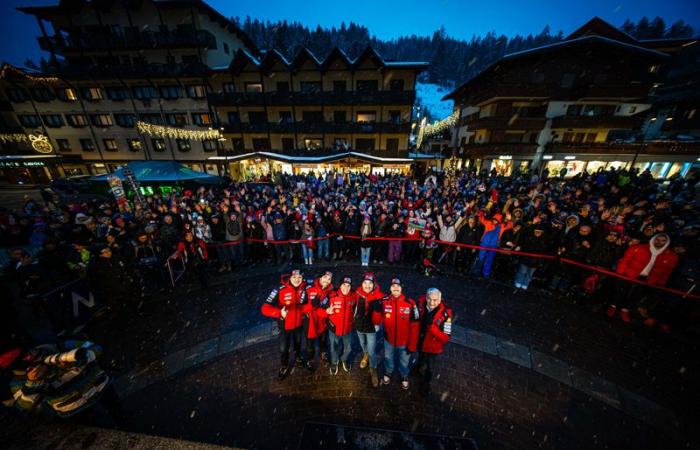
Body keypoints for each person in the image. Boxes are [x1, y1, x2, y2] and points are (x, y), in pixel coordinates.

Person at [608, 233, 678, 322]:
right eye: (658, 239)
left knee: (635, 296)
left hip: (647, 279)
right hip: (629, 274)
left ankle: (625, 310)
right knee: (620, 291)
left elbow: (667, 271)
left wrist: (660, 283)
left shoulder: (671, 256)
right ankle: (613, 307)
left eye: (663, 240)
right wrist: (620, 273)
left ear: (667, 242)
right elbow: (625, 260)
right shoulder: (638, 248)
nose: (660, 242)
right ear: (653, 239)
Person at [374, 278, 420, 390]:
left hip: (404, 342)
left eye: (398, 286)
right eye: (393, 286)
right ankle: (388, 372)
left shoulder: (410, 303)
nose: (395, 288)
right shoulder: (384, 301)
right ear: (390, 288)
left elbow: (415, 327)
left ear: (401, 289)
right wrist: (376, 310)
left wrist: (412, 345)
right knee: (388, 358)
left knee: (404, 361)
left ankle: (404, 375)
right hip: (388, 339)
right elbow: (377, 321)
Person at [261, 269, 307, 379]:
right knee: (284, 348)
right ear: (289, 277)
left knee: (298, 343)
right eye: (294, 277)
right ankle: (284, 365)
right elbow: (264, 308)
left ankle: (298, 358)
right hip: (285, 326)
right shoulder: (279, 289)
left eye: (299, 277)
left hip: (299, 324)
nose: (297, 280)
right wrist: (279, 313)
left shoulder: (305, 288)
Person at [415, 288, 452, 393]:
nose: (432, 302)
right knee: (420, 357)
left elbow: (446, 337)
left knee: (430, 367)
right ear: (426, 298)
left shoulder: (446, 315)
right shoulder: (421, 304)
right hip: (421, 341)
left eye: (435, 300)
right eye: (430, 299)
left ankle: (426, 383)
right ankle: (417, 368)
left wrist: (433, 328)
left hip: (433, 347)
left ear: (440, 300)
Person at [353, 272, 384, 388]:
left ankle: (373, 369)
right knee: (362, 344)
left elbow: (382, 317)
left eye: (370, 283)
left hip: (371, 328)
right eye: (365, 283)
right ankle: (365, 355)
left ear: (374, 284)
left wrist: (377, 311)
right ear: (361, 283)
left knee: (372, 351)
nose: (367, 286)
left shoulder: (379, 296)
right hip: (359, 325)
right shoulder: (357, 292)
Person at [323, 277, 358, 375]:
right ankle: (334, 362)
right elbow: (322, 302)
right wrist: (326, 311)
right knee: (334, 347)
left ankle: (344, 359)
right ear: (340, 285)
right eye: (344, 285)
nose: (346, 288)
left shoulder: (354, 296)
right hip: (334, 328)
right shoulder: (331, 295)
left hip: (348, 328)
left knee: (349, 348)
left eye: (348, 286)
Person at [302, 271, 334, 370]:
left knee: (323, 341)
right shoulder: (308, 289)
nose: (327, 281)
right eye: (325, 277)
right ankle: (309, 359)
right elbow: (302, 309)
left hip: (322, 322)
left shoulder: (330, 291)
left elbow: (326, 308)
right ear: (320, 278)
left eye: (329, 279)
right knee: (310, 344)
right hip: (310, 322)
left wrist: (326, 312)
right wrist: (312, 305)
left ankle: (323, 355)